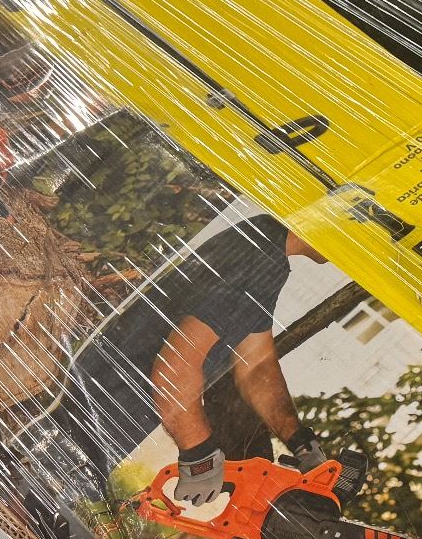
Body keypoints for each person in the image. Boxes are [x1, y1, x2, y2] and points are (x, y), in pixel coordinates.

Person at [70, 211, 326, 499]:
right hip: (89, 416)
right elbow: (174, 367)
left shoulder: (264, 247)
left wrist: (299, 440)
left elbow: (256, 364)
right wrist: (199, 454)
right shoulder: (261, 257)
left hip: (97, 413)